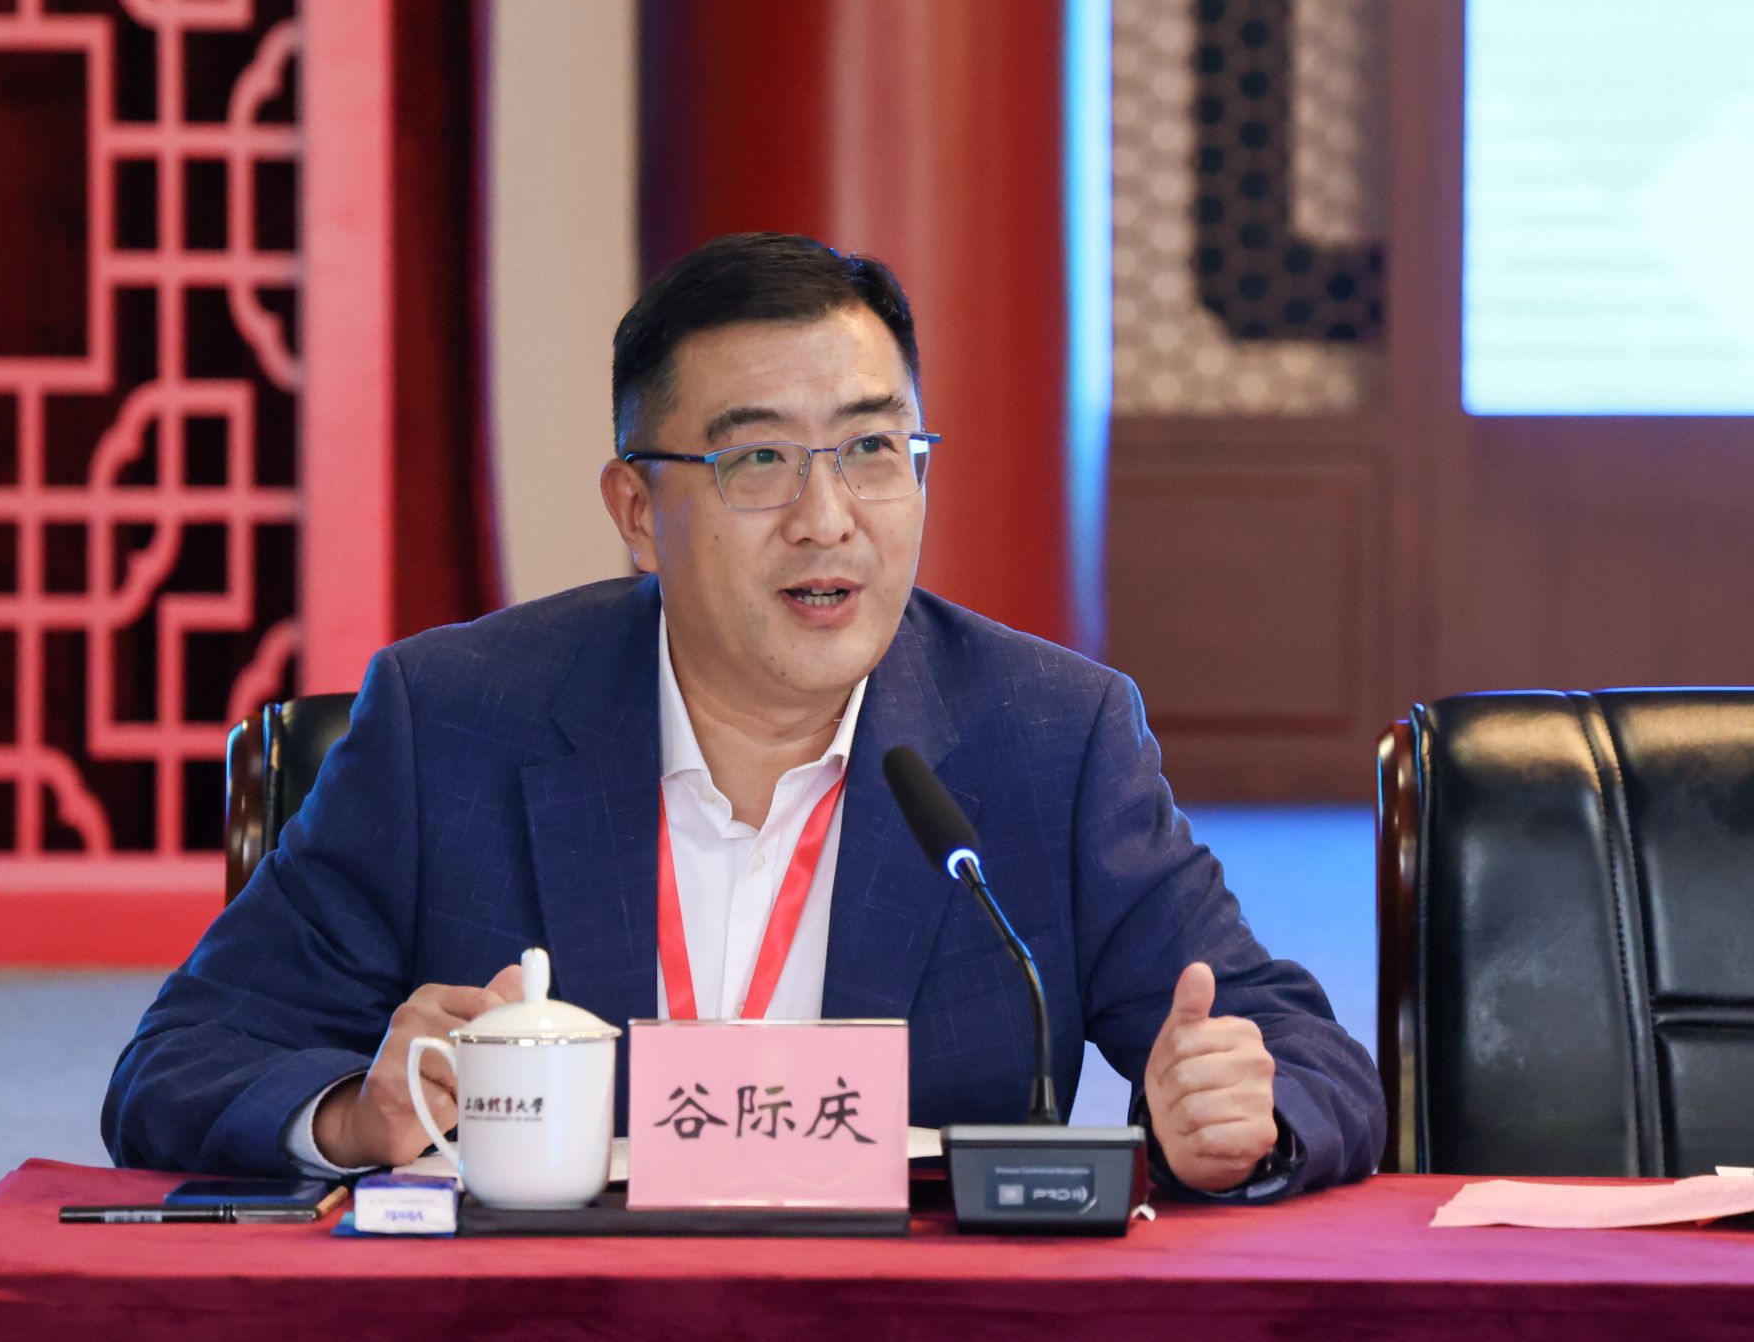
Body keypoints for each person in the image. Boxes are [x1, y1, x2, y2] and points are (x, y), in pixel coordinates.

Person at [103, 232, 1384, 1200]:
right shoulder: (453, 722)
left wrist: (1238, 1115)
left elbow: (1304, 1056)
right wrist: (353, 1113)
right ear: (635, 511)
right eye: (757, 458)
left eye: (873, 451)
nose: (827, 519)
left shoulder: (1051, 736)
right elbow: (181, 1059)